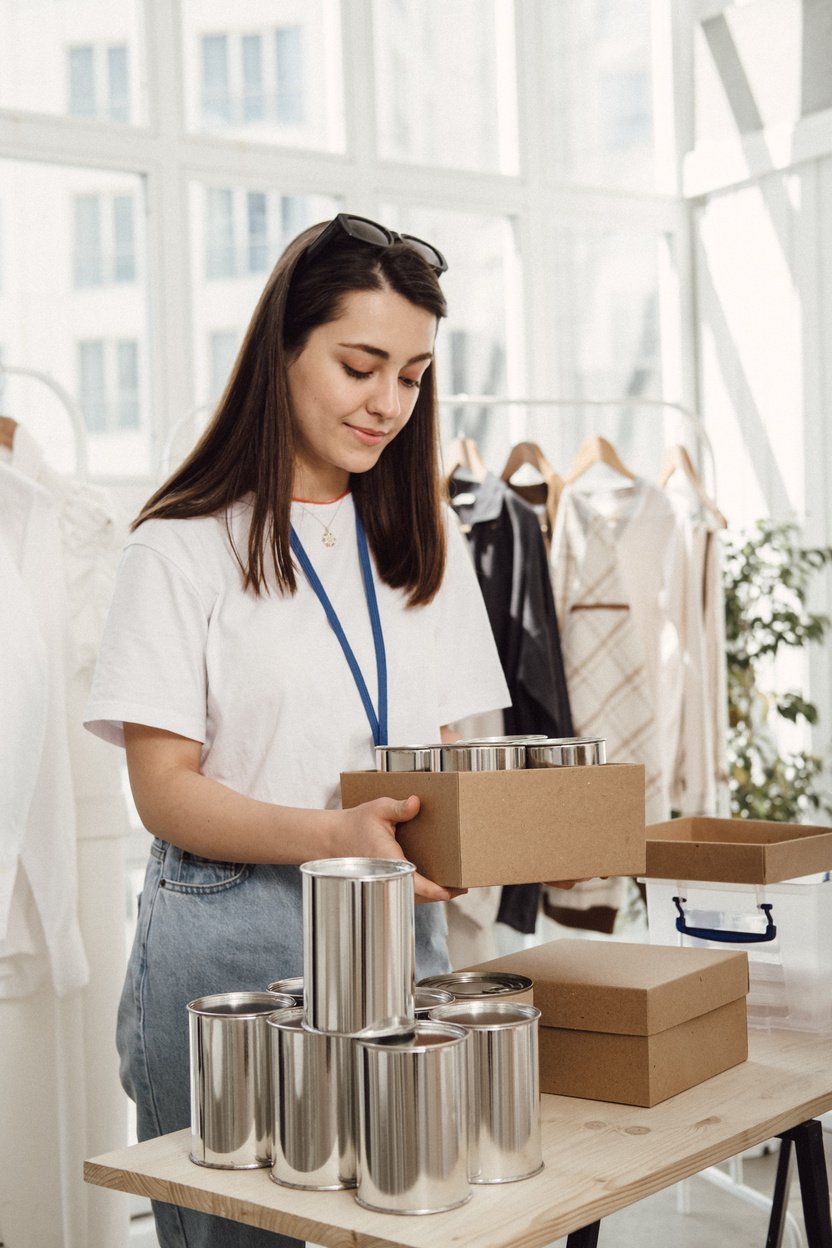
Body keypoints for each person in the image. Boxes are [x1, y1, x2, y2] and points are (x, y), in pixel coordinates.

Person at [84, 213, 511, 1248]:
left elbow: (450, 749)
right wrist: (333, 838)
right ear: (283, 351)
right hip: (228, 947)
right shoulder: (179, 551)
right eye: (360, 365)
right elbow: (165, 792)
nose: (388, 404)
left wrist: (468, 841)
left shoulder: (425, 546)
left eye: (410, 376)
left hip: (394, 935)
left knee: (411, 1223)